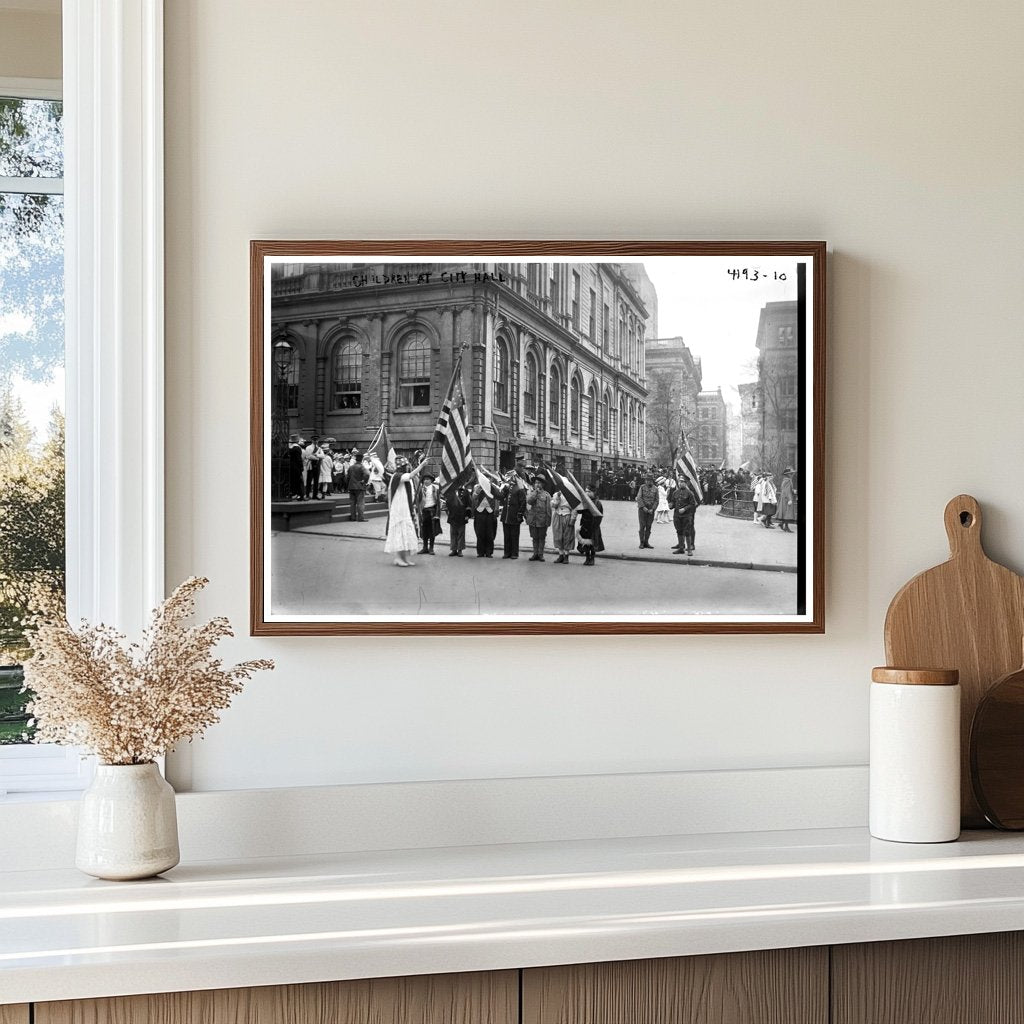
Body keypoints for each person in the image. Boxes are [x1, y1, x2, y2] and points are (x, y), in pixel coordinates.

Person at [384, 456, 425, 567]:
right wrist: (421, 466)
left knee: (406, 533)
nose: (408, 467)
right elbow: (411, 475)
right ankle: (398, 558)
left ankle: (405, 558)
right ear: (402, 467)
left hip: (405, 508)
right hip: (399, 510)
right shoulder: (397, 476)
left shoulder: (403, 478)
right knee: (400, 533)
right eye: (406, 466)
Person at [498, 471, 526, 559]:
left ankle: (514, 553)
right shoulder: (507, 487)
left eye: (510, 477)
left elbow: (523, 502)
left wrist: (520, 514)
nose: (509, 479)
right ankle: (507, 552)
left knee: (514, 535)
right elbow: (502, 497)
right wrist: (503, 487)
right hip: (506, 515)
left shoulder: (519, 488)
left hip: (514, 515)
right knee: (507, 535)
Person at [525, 474, 552, 561]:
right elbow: (529, 501)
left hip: (542, 520)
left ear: (543, 484)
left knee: (542, 537)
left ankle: (540, 554)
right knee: (534, 537)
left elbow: (548, 509)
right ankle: (535, 553)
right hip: (533, 520)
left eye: (539, 483)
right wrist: (535, 493)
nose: (537, 484)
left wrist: (548, 521)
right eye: (536, 483)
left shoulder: (547, 495)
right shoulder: (532, 493)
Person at [576, 485, 604, 566]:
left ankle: (592, 558)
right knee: (585, 543)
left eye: (589, 491)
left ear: (594, 492)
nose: (587, 493)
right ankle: (587, 557)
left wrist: (595, 526)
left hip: (593, 526)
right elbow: (579, 512)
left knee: (592, 543)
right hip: (585, 525)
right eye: (586, 491)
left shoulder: (597, 503)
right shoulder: (584, 502)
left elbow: (599, 516)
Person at [471, 479, 498, 557]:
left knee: (490, 533)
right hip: (480, 512)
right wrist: (477, 491)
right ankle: (480, 552)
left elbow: (496, 498)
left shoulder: (493, 487)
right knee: (480, 533)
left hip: (490, 512)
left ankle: (489, 552)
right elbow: (474, 498)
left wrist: (496, 510)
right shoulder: (477, 487)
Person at [670, 480, 698, 556]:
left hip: (686, 516)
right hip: (677, 515)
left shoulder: (690, 493)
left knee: (687, 532)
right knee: (679, 531)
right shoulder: (675, 492)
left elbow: (692, 504)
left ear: (686, 483)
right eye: (680, 482)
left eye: (683, 482)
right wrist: (670, 505)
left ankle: (689, 550)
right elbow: (673, 502)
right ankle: (681, 548)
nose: (681, 483)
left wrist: (684, 509)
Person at [416, 471, 440, 554]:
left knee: (432, 530)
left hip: (432, 511)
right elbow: (417, 501)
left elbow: (438, 503)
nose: (426, 481)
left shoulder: (435, 489)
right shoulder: (420, 489)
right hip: (423, 511)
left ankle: (431, 548)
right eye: (424, 479)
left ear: (431, 480)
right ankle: (424, 547)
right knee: (424, 530)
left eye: (427, 479)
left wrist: (437, 514)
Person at [550, 486, 574, 564]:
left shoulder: (571, 495)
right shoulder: (556, 494)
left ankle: (566, 556)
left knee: (567, 536)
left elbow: (575, 508)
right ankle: (561, 555)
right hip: (558, 515)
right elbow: (553, 506)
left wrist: (573, 519)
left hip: (567, 516)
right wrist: (556, 500)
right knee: (558, 536)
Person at [446, 482, 470, 556]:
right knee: (453, 533)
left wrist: (468, 515)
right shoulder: (451, 491)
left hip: (462, 515)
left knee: (461, 533)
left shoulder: (466, 492)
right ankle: (453, 549)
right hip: (453, 515)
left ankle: (460, 550)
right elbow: (448, 503)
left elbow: (469, 504)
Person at [635, 473, 659, 549]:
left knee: (649, 526)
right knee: (642, 526)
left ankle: (646, 542)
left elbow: (657, 500)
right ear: (645, 480)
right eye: (648, 480)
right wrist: (643, 507)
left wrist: (653, 509)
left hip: (651, 510)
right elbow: (639, 498)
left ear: (653, 481)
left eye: (651, 480)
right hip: (642, 510)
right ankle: (641, 542)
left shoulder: (656, 489)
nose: (649, 482)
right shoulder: (642, 487)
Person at [347, 450, 368, 521]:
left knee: (352, 503)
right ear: (362, 459)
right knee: (360, 503)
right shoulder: (362, 467)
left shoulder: (351, 467)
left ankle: (353, 517)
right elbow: (367, 474)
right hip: (359, 487)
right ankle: (361, 518)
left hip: (351, 487)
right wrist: (364, 481)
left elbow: (347, 477)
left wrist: (348, 484)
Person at [777, 467, 796, 532]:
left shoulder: (785, 480)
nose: (792, 474)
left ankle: (783, 525)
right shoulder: (788, 481)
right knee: (787, 513)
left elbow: (786, 490)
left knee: (785, 512)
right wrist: (789, 499)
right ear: (787, 474)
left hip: (784, 497)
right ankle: (785, 526)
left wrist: (793, 491)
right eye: (790, 473)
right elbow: (787, 491)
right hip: (786, 498)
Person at [288, 434, 305, 500]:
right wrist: (301, 467)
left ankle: (293, 493)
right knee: (299, 481)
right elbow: (299, 459)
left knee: (293, 481)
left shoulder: (290, 448)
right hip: (297, 467)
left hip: (291, 467)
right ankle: (300, 495)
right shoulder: (297, 448)